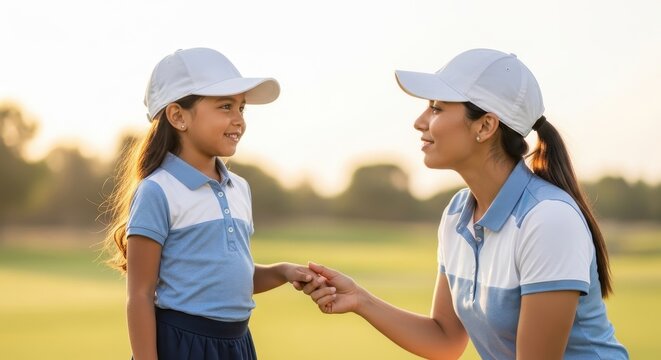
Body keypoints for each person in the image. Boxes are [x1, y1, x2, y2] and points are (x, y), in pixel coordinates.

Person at [301, 48, 629, 359]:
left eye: (436, 108)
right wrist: (360, 299)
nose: (419, 122)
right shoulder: (458, 212)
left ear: (485, 126)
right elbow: (445, 340)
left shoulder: (548, 220)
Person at [103, 47, 319, 360]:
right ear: (178, 116)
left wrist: (282, 272)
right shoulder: (157, 191)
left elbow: (228, 276)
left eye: (242, 108)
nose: (239, 120)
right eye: (225, 107)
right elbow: (139, 294)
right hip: (182, 345)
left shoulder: (239, 189)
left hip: (237, 344)